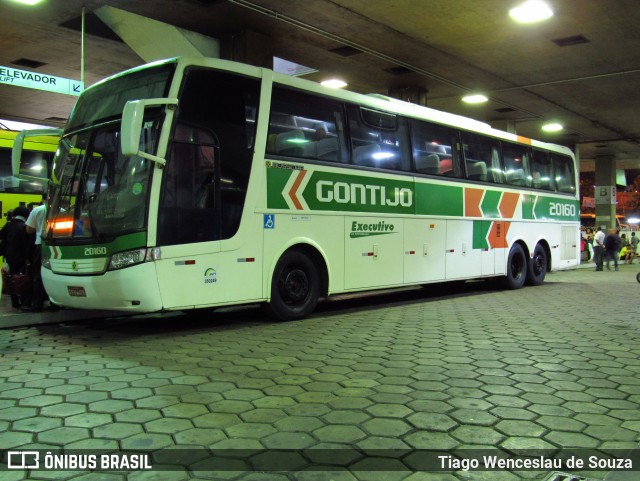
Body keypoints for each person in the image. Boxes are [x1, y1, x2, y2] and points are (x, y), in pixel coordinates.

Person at [0, 206, 31, 308]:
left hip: (9, 256)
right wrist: (28, 257)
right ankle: (24, 301)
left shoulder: (8, 225)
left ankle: (14, 302)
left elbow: (1, 236)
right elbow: (27, 244)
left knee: (13, 278)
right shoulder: (24, 226)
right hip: (21, 257)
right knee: (24, 278)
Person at [24, 195, 48, 311]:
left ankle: (38, 304)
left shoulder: (38, 210)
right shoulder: (62, 211)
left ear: (43, 199)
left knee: (38, 274)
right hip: (57, 246)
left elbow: (29, 229)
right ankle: (54, 303)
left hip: (40, 245)